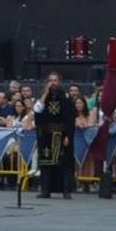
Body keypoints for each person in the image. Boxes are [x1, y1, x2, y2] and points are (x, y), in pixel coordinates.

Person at [34, 72, 75, 200]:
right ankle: (46, 190)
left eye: (55, 80)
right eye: (50, 80)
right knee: (46, 164)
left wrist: (68, 135)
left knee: (64, 164)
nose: (53, 83)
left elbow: (70, 119)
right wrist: (45, 94)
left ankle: (66, 191)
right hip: (46, 136)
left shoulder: (66, 98)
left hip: (61, 135)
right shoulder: (43, 98)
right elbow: (37, 111)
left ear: (59, 82)